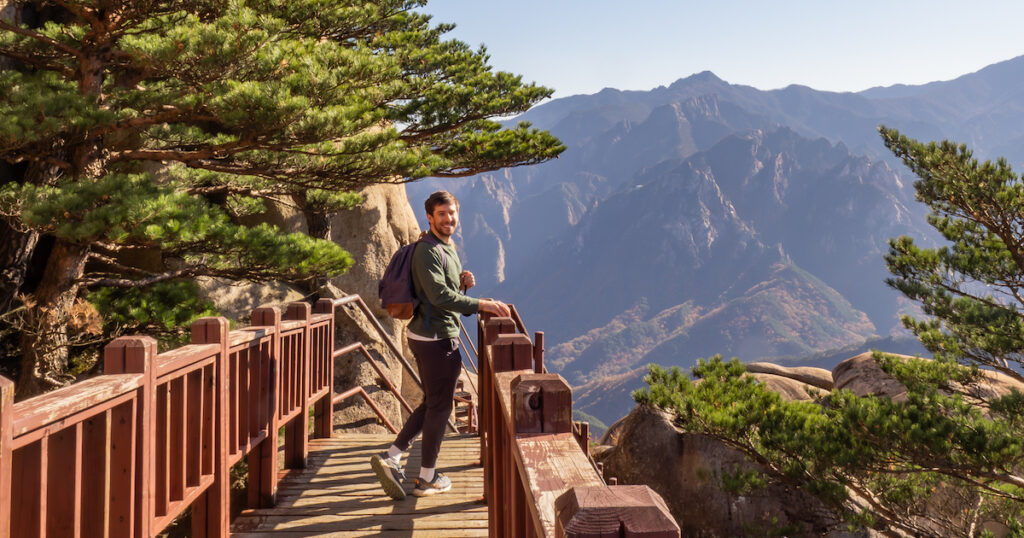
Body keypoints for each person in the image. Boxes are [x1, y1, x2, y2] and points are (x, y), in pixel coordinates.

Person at [371, 190, 510, 499]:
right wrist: (480, 304)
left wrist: (461, 282)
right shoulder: (427, 251)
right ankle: (426, 478)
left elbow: (442, 289)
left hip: (434, 335)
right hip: (434, 339)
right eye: (442, 214)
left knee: (433, 403)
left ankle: (392, 456)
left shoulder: (446, 247)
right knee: (441, 406)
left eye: (452, 213)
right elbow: (439, 298)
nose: (449, 219)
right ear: (430, 218)